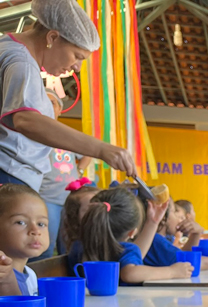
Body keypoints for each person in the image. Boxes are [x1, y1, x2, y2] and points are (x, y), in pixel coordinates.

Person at [0, 0, 136, 189]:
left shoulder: (8, 47)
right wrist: (100, 149)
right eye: (77, 56)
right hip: (9, 174)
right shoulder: (21, 63)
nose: (76, 68)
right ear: (52, 38)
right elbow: (26, 120)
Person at [67, 187, 192, 284]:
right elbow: (130, 273)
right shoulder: (126, 250)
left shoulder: (78, 246)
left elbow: (134, 257)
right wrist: (171, 271)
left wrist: (152, 223)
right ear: (132, 232)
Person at [32, 89, 92, 261]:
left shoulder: (67, 134)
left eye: (52, 102)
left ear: (60, 108)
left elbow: (87, 152)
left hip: (70, 200)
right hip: (46, 199)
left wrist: (79, 171)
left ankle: (68, 284)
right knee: (44, 247)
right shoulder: (34, 132)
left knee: (70, 247)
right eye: (45, 101)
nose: (48, 106)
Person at [144, 199, 208, 271]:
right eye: (175, 211)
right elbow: (189, 264)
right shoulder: (156, 241)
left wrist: (196, 234)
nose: (178, 217)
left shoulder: (160, 239)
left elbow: (184, 254)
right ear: (163, 216)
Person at [0, 184, 49, 296]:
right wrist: (7, 282)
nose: (35, 231)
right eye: (21, 222)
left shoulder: (30, 274)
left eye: (41, 224)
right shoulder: (2, 276)